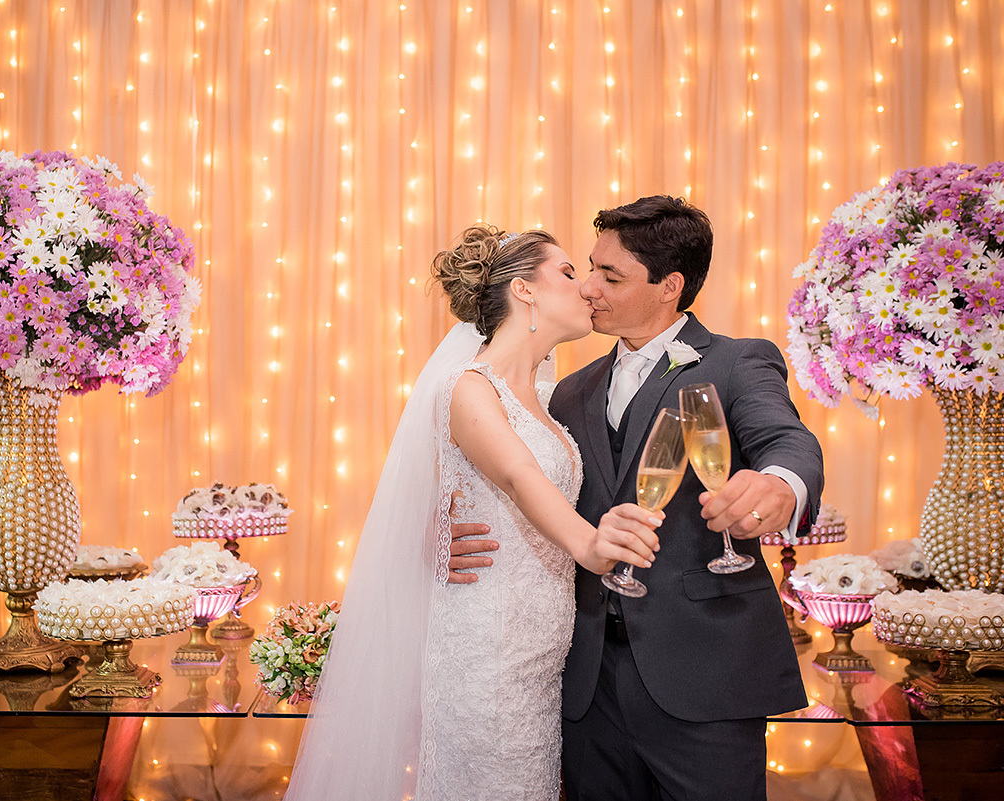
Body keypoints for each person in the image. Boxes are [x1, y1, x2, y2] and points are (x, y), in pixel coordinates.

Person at [449, 196, 823, 801]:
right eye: (588, 268)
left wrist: (781, 483)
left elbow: (786, 440)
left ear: (668, 286)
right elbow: (512, 486)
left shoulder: (735, 361)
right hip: (584, 683)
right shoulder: (568, 390)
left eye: (610, 275)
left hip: (704, 677)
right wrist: (444, 539)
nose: (590, 287)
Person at [284, 225, 660, 801]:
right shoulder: (467, 386)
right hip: (487, 651)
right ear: (524, 292)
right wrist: (591, 546)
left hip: (542, 660)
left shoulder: (552, 400)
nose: (586, 287)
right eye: (566, 272)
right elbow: (518, 475)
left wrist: (438, 533)